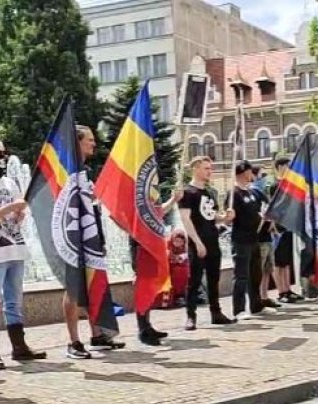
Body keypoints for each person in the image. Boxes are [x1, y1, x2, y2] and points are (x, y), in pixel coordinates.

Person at [0, 138, 46, 371]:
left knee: (14, 301)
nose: (2, 158)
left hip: (15, 246)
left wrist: (19, 213)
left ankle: (19, 346)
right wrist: (12, 208)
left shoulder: (9, 182)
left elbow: (16, 211)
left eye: (4, 153)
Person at [64, 125, 124, 360]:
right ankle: (73, 341)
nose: (94, 144)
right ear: (77, 142)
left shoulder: (85, 172)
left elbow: (92, 207)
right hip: (72, 239)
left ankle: (97, 334)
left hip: (91, 237)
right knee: (73, 288)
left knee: (92, 285)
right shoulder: (66, 172)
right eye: (89, 140)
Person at [179, 156, 236, 330]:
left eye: (210, 168)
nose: (209, 171)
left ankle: (216, 312)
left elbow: (212, 217)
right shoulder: (187, 192)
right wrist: (197, 242)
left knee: (214, 279)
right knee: (194, 280)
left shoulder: (210, 192)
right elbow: (185, 219)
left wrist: (225, 218)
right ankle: (191, 316)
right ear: (195, 168)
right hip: (197, 243)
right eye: (206, 168)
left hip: (213, 240)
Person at [129, 189, 183, 346]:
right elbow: (120, 216)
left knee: (150, 285)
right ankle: (142, 330)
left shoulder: (149, 195)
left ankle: (147, 325)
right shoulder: (136, 194)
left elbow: (158, 213)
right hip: (140, 245)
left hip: (151, 244)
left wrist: (173, 200)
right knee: (143, 286)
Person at [226, 160, 265, 320]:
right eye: (249, 172)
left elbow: (256, 211)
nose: (252, 175)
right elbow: (230, 217)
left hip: (254, 237)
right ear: (243, 173)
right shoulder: (234, 193)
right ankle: (239, 309)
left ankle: (256, 305)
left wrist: (260, 216)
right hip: (241, 239)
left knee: (256, 273)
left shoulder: (250, 192)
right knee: (241, 275)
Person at [271, 158, 302, 304]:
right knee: (278, 262)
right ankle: (281, 291)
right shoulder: (276, 186)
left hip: (289, 226)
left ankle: (288, 289)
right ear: (280, 167)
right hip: (279, 228)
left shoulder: (290, 185)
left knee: (287, 262)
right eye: (287, 167)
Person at [251, 164, 281, 309]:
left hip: (268, 235)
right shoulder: (252, 192)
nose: (265, 179)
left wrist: (273, 222)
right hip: (259, 237)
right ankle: (256, 298)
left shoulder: (263, 192)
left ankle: (264, 296)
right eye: (262, 176)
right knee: (259, 269)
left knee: (268, 269)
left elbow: (269, 208)